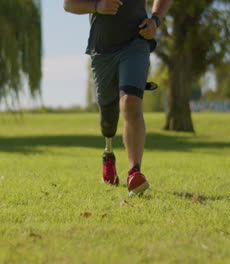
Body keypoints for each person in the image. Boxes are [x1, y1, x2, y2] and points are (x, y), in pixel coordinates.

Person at [64, 0, 173, 196]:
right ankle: (108, 153)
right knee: (108, 117)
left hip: (136, 42)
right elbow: (68, 4)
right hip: (102, 50)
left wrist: (156, 20)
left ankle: (135, 172)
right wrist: (97, 6)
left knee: (130, 103)